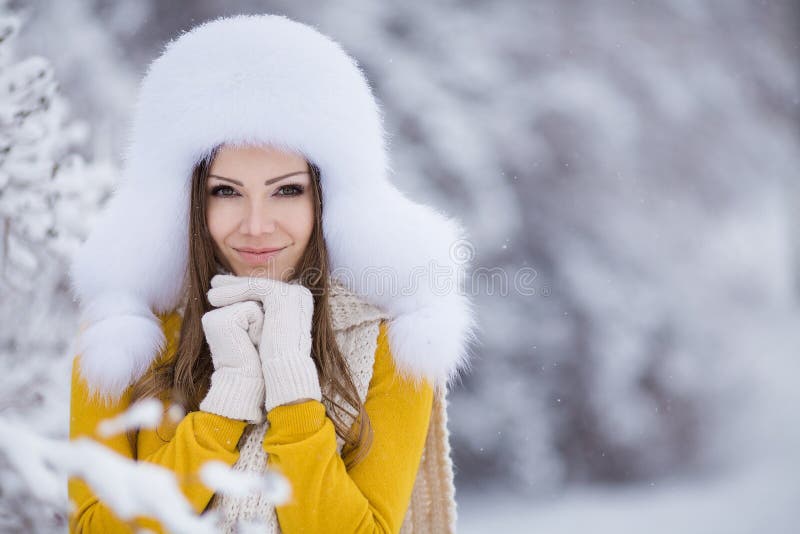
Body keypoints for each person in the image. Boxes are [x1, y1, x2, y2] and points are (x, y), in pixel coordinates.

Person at [67, 14, 476, 534]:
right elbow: (93, 528)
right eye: (225, 191)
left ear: (327, 198)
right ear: (189, 202)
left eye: (286, 190)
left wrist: (291, 384)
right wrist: (223, 409)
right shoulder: (126, 337)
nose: (256, 226)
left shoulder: (390, 342)